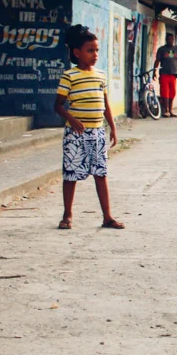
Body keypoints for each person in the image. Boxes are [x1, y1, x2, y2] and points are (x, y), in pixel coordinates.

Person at [55, 24, 122, 230]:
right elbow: (57, 105)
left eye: (97, 50)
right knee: (71, 175)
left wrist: (112, 126)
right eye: (90, 50)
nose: (95, 54)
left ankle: (107, 216)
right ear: (77, 53)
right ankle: (67, 215)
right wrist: (72, 119)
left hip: (97, 133)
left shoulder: (100, 75)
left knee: (101, 174)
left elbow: (105, 104)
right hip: (75, 135)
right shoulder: (70, 76)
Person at [152, 32, 177, 117]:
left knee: (172, 92)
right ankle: (166, 110)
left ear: (174, 40)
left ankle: (171, 110)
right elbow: (157, 61)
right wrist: (154, 71)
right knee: (165, 93)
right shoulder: (162, 49)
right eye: (168, 39)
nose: (170, 41)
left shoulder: (176, 50)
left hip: (173, 74)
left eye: (172, 39)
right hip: (164, 74)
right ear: (166, 40)